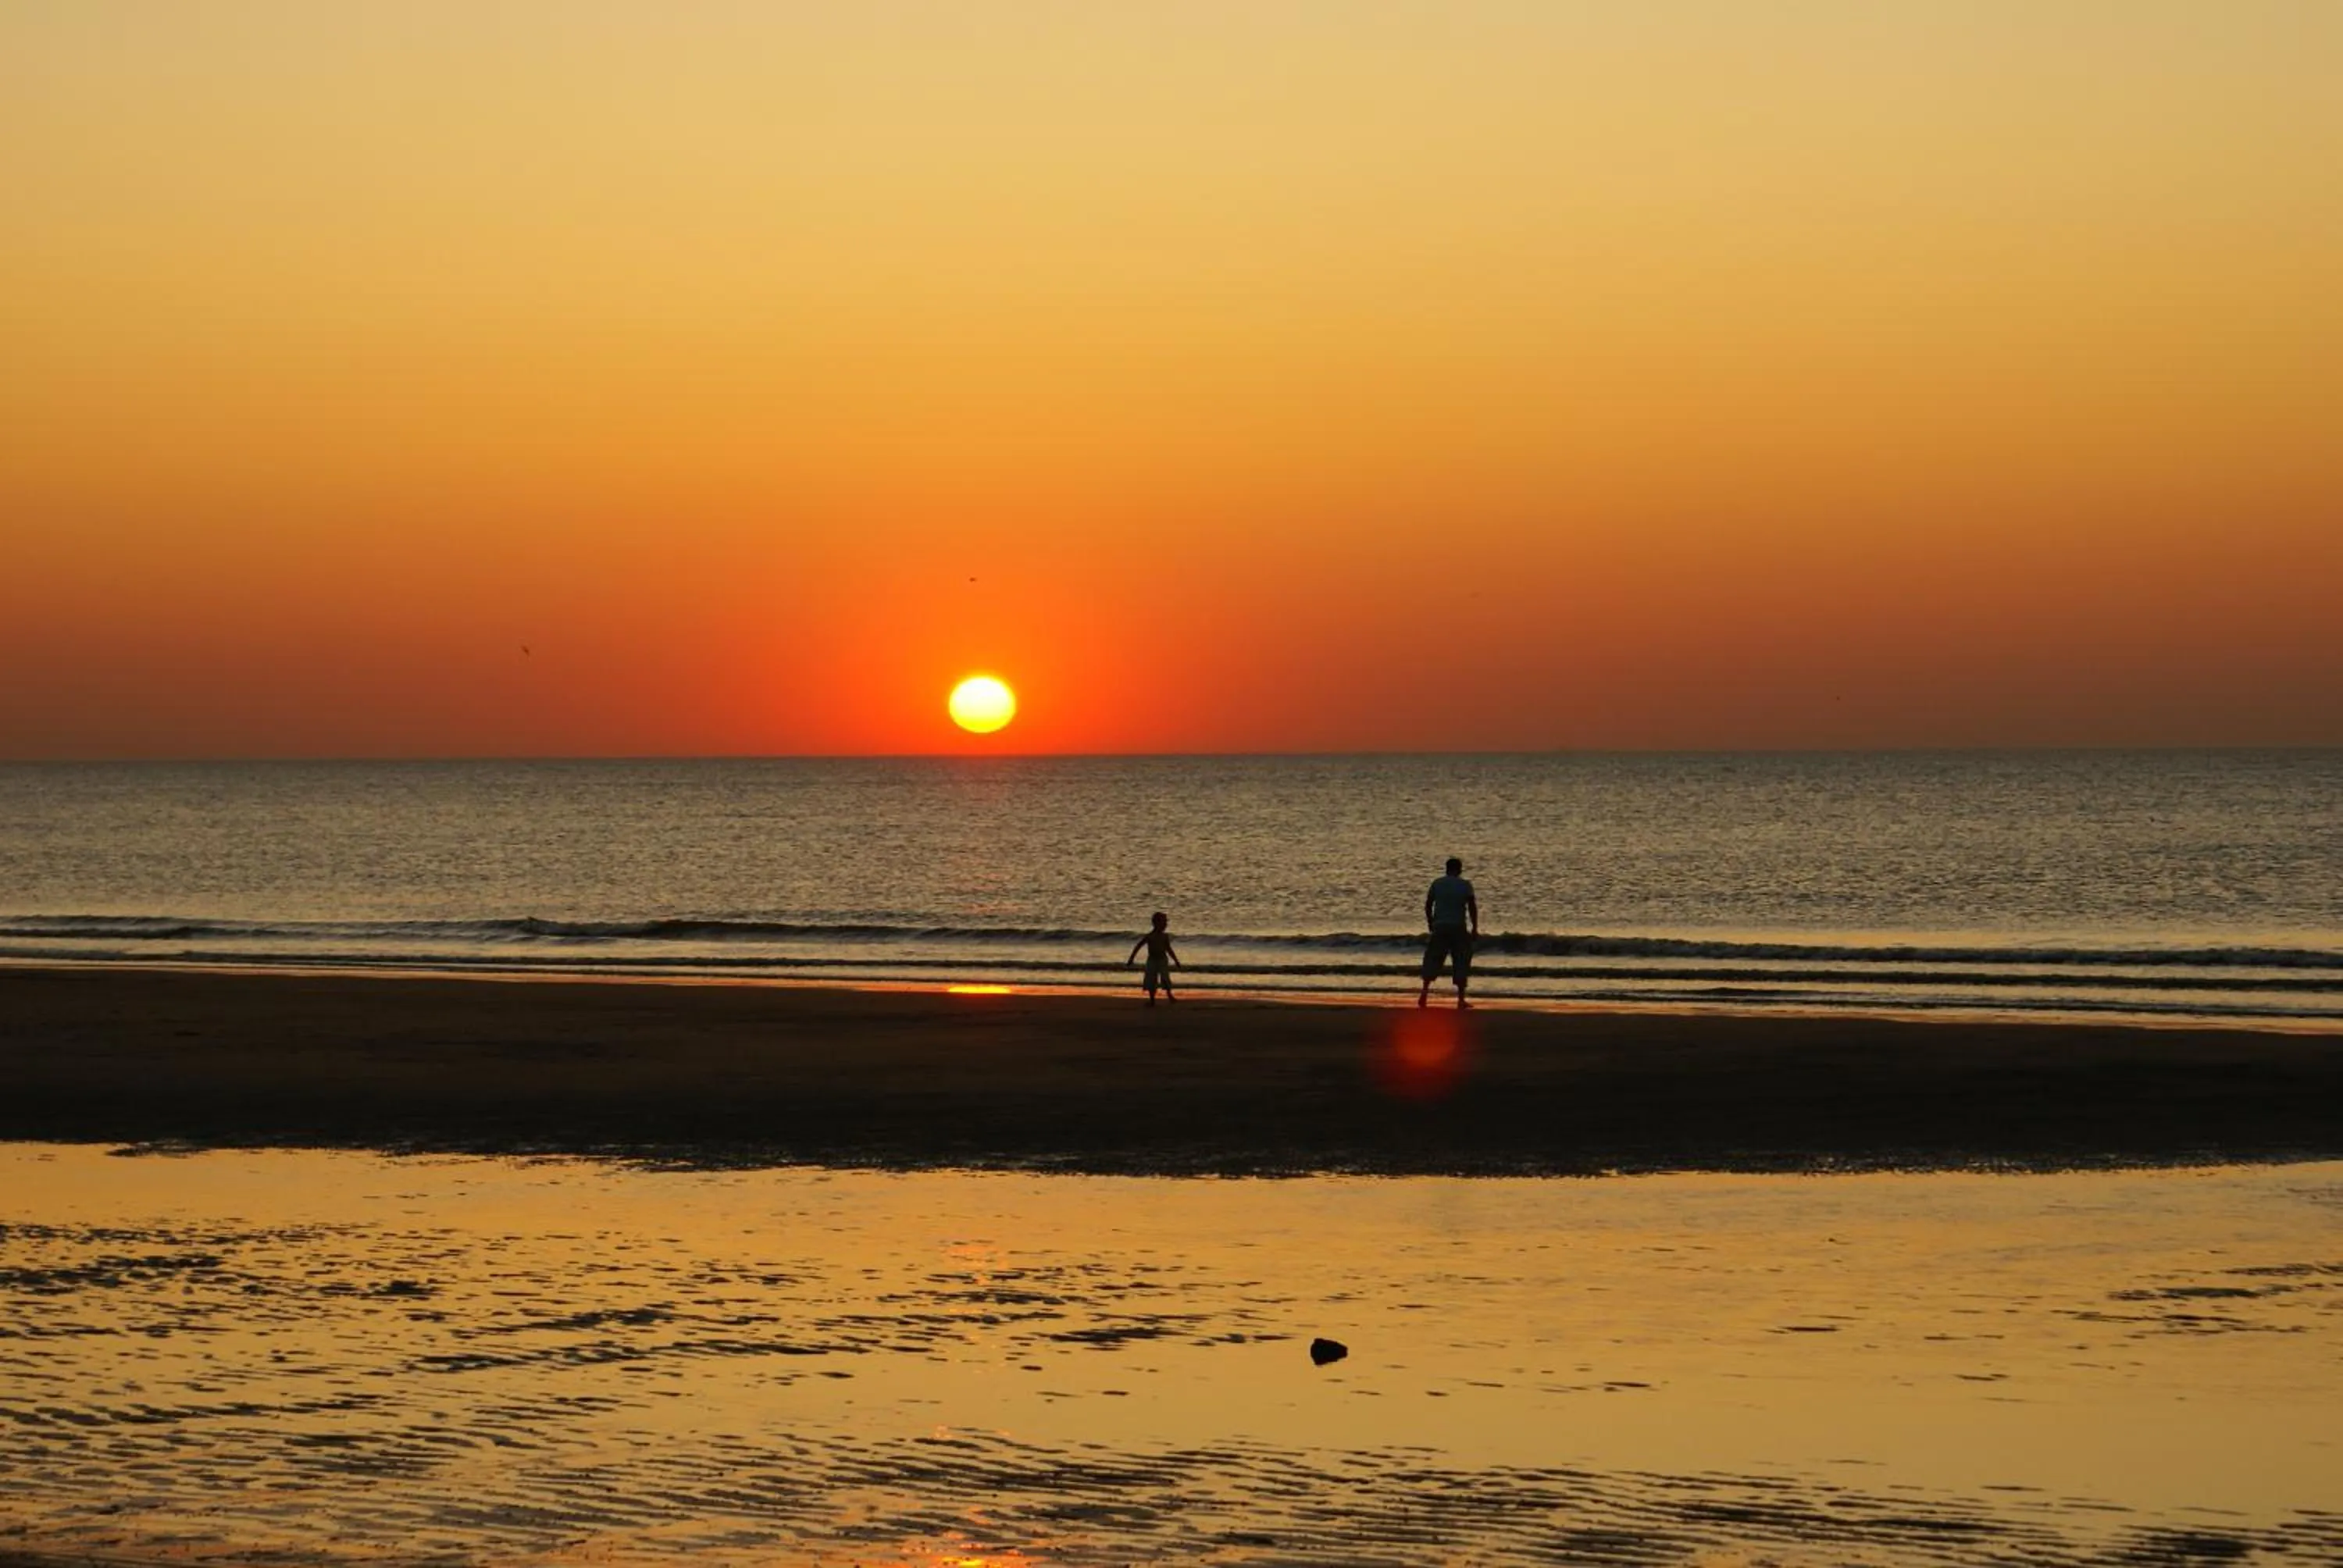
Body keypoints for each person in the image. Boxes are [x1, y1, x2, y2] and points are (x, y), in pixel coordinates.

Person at [1419, 857, 1478, 1009]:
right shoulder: (1465, 885)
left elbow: (1428, 904)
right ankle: (1460, 999)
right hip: (1458, 926)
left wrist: (1430, 922)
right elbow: (1472, 907)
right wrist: (1475, 927)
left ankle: (1424, 994)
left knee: (1433, 958)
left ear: (1446, 868)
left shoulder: (1437, 883)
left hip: (1440, 926)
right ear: (1459, 869)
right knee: (1461, 961)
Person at [1127, 911, 1182, 1006]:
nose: (1165, 925)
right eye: (1163, 923)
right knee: (1151, 979)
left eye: (1165, 923)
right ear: (1156, 923)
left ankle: (1169, 995)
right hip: (1152, 959)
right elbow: (1138, 946)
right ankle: (1152, 999)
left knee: (1165, 977)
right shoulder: (1150, 936)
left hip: (1162, 959)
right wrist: (1131, 958)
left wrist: (1176, 961)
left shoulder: (1165, 936)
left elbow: (1169, 949)